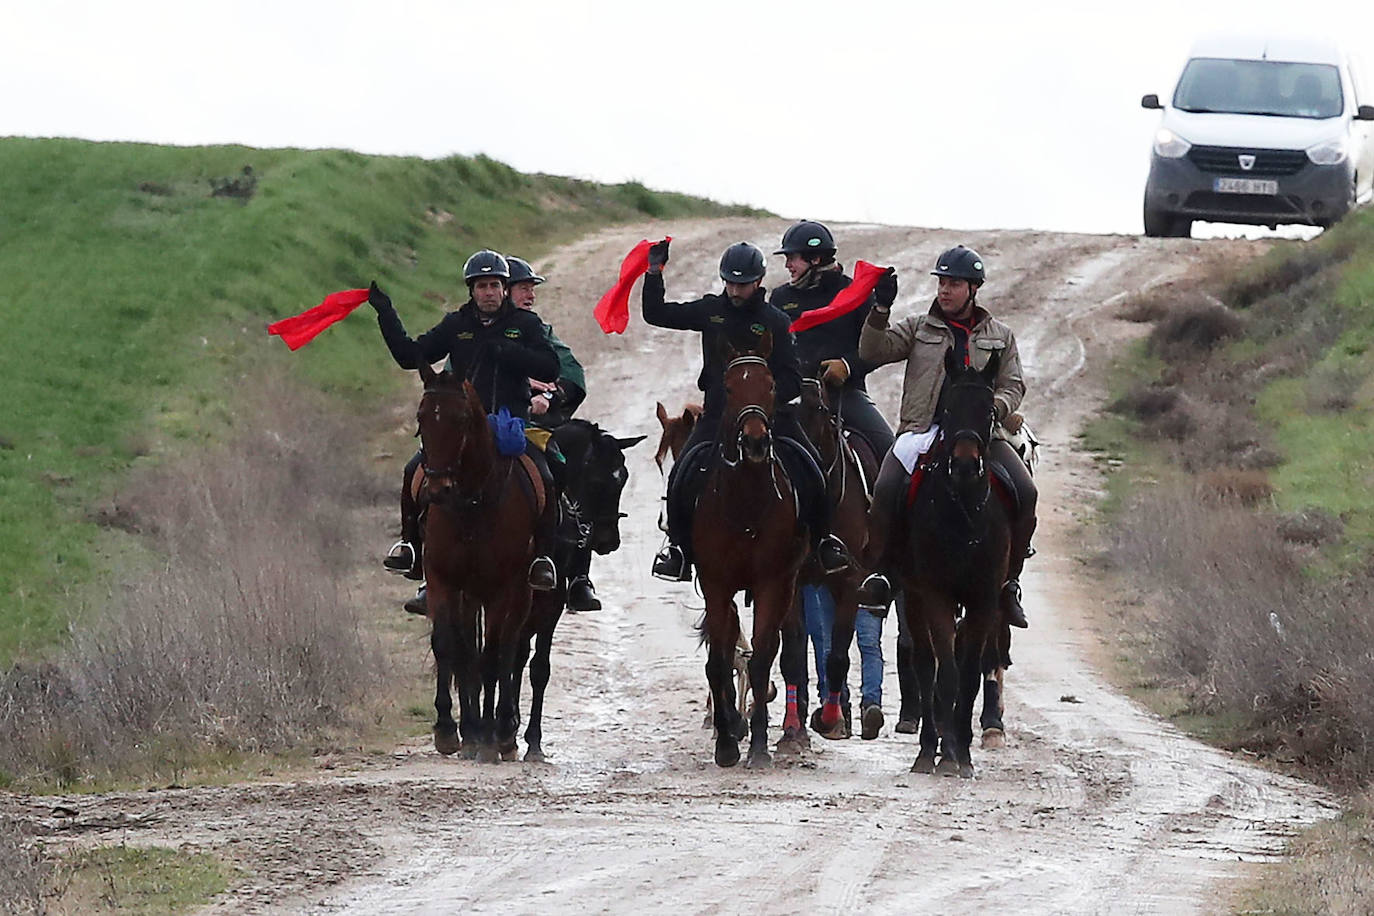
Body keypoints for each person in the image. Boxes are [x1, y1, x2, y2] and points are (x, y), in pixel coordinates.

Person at [642, 239, 852, 582]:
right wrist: (654, 272)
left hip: (771, 418)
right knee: (683, 472)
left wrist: (762, 402)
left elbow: (792, 378)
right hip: (718, 417)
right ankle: (677, 548)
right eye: (730, 282)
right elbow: (657, 313)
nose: (736, 289)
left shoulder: (777, 321)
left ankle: (824, 540)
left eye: (743, 283)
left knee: (812, 467)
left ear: (758, 281)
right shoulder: (710, 310)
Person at [855, 245, 1036, 628]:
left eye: (954, 284)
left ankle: (1010, 583)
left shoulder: (1000, 336)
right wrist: (880, 310)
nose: (945, 291)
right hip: (924, 430)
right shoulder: (920, 328)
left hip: (981, 433)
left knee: (1026, 491)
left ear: (973, 288)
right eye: (942, 283)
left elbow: (1013, 385)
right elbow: (872, 351)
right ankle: (882, 572)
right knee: (887, 486)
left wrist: (995, 410)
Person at [372, 249, 562, 612]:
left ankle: (543, 559)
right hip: (459, 427)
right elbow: (409, 355)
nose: (488, 292)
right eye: (481, 286)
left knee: (548, 474)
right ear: (471, 290)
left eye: (494, 285)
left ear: (504, 289)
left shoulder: (525, 325)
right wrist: (386, 314)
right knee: (415, 468)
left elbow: (549, 367)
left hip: (508, 421)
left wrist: (508, 352)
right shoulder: (456, 325)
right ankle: (412, 549)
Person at [770, 220, 900, 739]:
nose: (787, 265)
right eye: (787, 259)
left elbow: (868, 347)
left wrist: (846, 365)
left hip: (845, 397)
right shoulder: (779, 297)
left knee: (892, 455)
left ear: (816, 258)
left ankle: (884, 559)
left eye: (794, 258)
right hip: (790, 400)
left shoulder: (851, 294)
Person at [506, 255, 601, 613]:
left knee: (573, 477)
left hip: (532, 429)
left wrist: (549, 394)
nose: (530, 294)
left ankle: (577, 575)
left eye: (532, 288)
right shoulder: (473, 326)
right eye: (523, 287)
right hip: (481, 424)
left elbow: (573, 374)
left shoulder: (540, 331)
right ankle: (420, 557)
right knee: (425, 468)